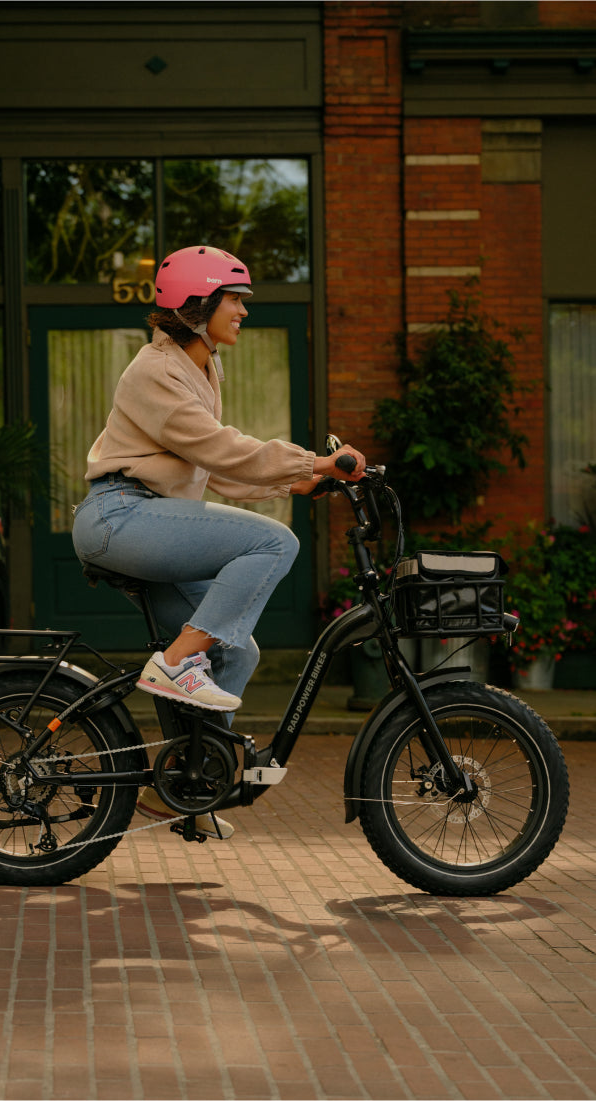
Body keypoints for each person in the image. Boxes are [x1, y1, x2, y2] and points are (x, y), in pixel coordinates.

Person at [72, 244, 365, 838]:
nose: (243, 311)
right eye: (235, 300)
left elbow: (218, 470)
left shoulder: (200, 369)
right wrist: (316, 461)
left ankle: (191, 783)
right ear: (198, 303)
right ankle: (176, 662)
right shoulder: (155, 371)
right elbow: (223, 449)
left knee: (240, 650)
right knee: (276, 546)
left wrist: (302, 480)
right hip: (120, 517)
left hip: (150, 517)